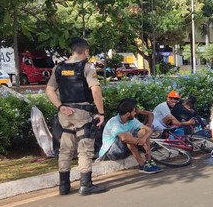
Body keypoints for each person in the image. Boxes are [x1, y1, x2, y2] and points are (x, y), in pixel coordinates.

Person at [46, 37, 108, 196]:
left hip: (65, 114)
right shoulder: (87, 67)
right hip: (82, 113)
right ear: (86, 51)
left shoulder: (58, 68)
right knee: (85, 149)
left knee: (65, 149)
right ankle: (86, 185)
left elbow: (50, 90)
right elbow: (95, 90)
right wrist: (100, 113)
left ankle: (64, 186)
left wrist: (60, 106)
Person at [98, 98, 163, 173]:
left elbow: (149, 130)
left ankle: (149, 161)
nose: (135, 113)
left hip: (126, 147)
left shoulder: (132, 120)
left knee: (143, 131)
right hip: (111, 152)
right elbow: (124, 138)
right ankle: (142, 165)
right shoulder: (113, 122)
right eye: (133, 112)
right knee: (128, 136)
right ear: (128, 114)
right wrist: (140, 142)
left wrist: (144, 140)